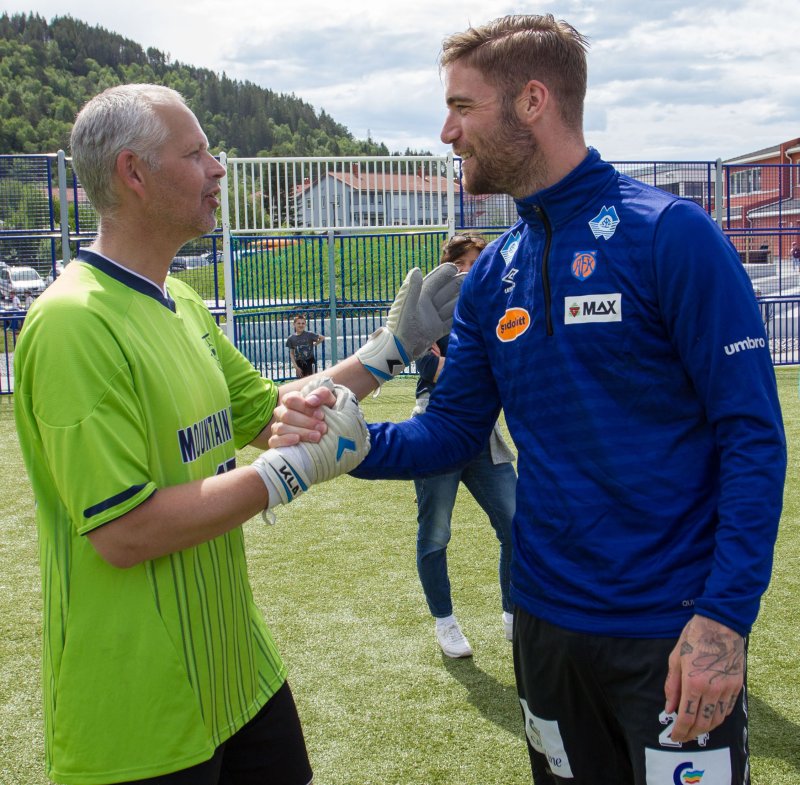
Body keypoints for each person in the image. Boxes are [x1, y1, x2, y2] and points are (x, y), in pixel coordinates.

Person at [273, 15, 786, 785]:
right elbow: (453, 430)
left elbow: (752, 436)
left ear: (533, 101)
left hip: (669, 629)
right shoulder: (493, 271)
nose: (447, 132)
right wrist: (354, 445)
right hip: (546, 628)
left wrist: (724, 617)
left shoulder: (670, 235)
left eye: (462, 107)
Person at [13, 84, 462, 785]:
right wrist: (289, 472)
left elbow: (268, 412)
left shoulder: (180, 300)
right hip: (140, 710)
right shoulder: (73, 322)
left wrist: (391, 349)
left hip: (236, 669)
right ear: (133, 173)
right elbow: (124, 532)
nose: (218, 168)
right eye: (195, 154)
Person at [412, 232, 516, 658]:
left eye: (478, 263)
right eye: (463, 264)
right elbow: (429, 366)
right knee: (435, 534)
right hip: (437, 428)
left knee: (517, 525)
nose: (471, 272)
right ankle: (445, 622)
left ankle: (514, 613)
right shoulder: (428, 305)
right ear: (448, 265)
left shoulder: (493, 304)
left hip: (483, 432)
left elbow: (504, 365)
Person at [287, 313, 324, 377]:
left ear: (305, 324)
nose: (301, 325)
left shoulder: (309, 334)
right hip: (299, 363)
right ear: (294, 324)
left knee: (312, 380)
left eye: (303, 323)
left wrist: (314, 344)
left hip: (310, 361)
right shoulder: (291, 338)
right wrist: (296, 367)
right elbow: (291, 353)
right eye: (298, 323)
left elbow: (322, 338)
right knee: (302, 380)